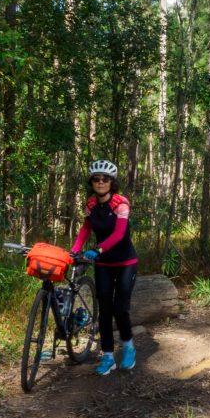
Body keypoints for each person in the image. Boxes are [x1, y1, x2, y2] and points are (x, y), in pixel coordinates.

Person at [70, 160, 138, 375]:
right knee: (105, 311)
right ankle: (108, 356)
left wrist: (98, 250)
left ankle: (128, 347)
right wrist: (75, 249)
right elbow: (86, 228)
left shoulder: (121, 203)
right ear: (92, 182)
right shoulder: (90, 204)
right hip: (104, 265)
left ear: (111, 182)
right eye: (96, 179)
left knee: (120, 309)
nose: (100, 182)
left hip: (126, 263)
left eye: (105, 179)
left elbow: (119, 234)